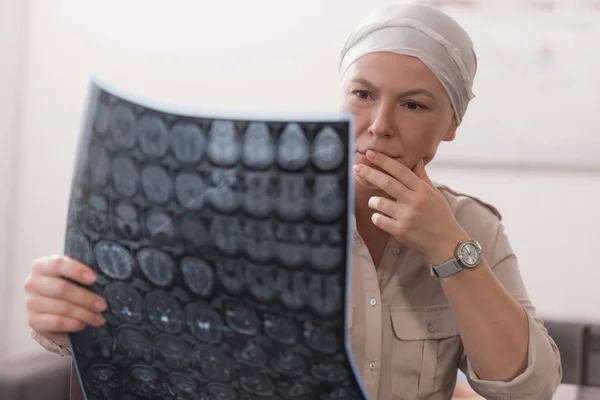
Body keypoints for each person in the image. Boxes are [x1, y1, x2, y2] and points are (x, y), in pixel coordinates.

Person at [24, 2, 562, 399]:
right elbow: (130, 321)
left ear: (451, 125)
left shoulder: (472, 228)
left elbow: (528, 388)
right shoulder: (245, 208)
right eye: (363, 94)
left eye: (414, 104)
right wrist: (59, 314)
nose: (379, 126)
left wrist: (449, 247)